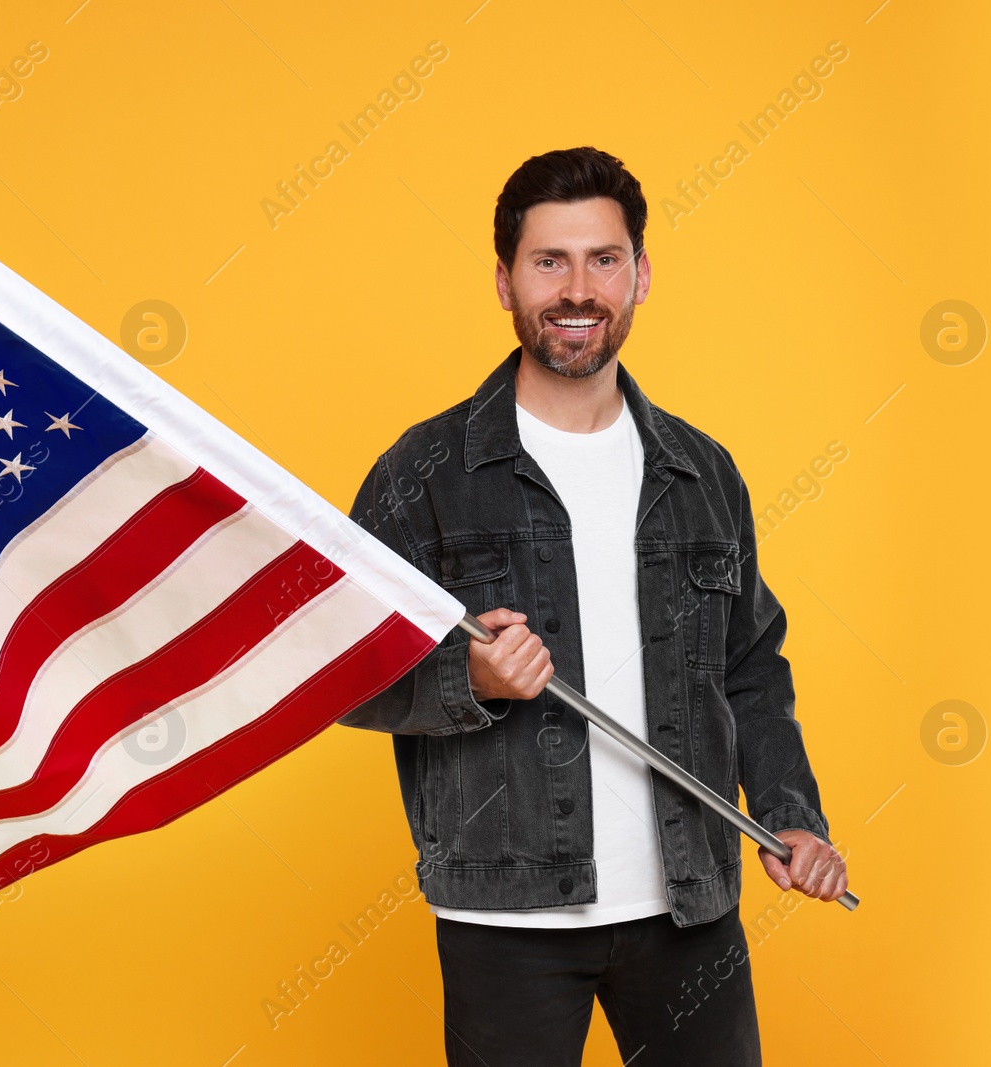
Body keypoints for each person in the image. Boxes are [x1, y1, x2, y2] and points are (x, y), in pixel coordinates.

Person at [339, 146, 848, 1065]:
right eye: (549, 262)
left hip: (690, 899)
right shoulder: (423, 471)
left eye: (603, 259)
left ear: (641, 275)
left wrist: (791, 811)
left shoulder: (702, 472)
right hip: (507, 912)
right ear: (505, 282)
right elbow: (338, 663)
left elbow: (751, 667)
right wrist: (470, 674)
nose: (578, 289)